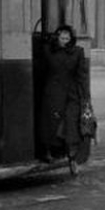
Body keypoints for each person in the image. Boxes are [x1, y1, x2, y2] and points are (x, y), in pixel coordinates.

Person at [39, 24, 89, 176]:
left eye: (67, 38)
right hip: (53, 93)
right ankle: (48, 152)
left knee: (71, 126)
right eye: (62, 38)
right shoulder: (48, 50)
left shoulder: (78, 52)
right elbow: (42, 70)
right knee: (51, 125)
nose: (65, 41)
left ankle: (72, 158)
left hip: (71, 94)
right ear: (57, 37)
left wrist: (85, 96)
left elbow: (82, 75)